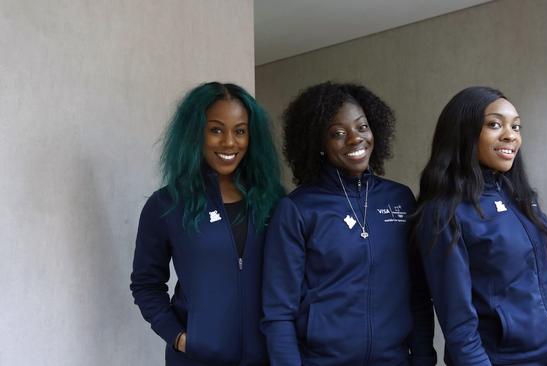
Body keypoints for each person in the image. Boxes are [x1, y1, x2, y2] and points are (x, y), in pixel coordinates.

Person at [413, 86, 547, 366]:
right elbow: (458, 320)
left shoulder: (522, 198)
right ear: (463, 132)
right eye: (494, 124)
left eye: (516, 126)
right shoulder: (443, 213)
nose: (510, 135)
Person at [261, 81, 436, 366]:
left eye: (362, 127)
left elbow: (417, 294)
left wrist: (423, 359)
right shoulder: (297, 209)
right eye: (338, 134)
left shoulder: (400, 199)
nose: (355, 139)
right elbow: (278, 312)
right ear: (319, 143)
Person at [130, 82, 284, 365]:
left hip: (267, 358)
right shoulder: (167, 205)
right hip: (197, 359)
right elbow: (146, 284)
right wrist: (178, 337)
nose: (229, 142)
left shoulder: (274, 201)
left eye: (240, 131)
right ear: (195, 133)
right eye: (216, 130)